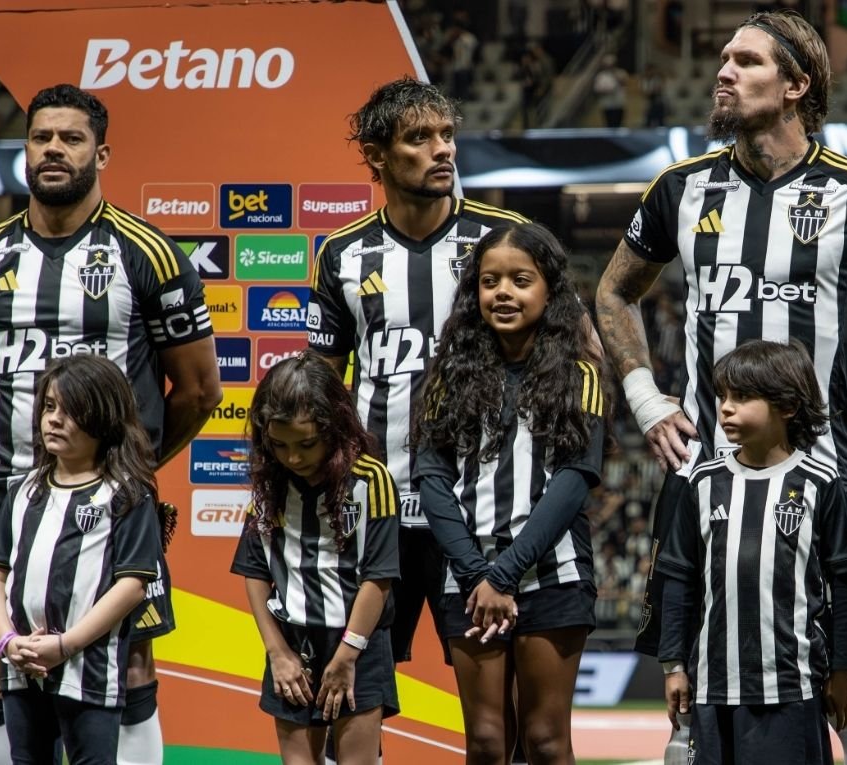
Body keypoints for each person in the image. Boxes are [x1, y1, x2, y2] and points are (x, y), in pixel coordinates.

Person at [595, 10, 847, 763]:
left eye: (746, 60)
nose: (724, 71)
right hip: (709, 484)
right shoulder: (681, 188)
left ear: (797, 84)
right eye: (723, 57)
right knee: (696, 713)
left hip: (828, 484)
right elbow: (613, 292)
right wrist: (647, 399)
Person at [0, 83, 221, 764]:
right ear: (25, 151)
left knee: (126, 662)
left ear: (103, 152)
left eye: (71, 138)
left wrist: (130, 469)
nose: (54, 150)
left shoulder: (149, 255)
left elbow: (202, 389)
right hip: (0, 492)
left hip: (111, 500)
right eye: (42, 138)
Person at [307, 77, 529, 673]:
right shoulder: (341, 252)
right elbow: (322, 384)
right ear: (377, 156)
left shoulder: (500, 239)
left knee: (494, 717)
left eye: (448, 135)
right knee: (356, 695)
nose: (443, 150)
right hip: (379, 506)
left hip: (481, 507)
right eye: (420, 137)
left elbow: (562, 355)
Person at [413, 222, 609, 764]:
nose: (503, 293)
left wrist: (504, 574)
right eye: (489, 281)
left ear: (550, 289)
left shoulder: (580, 374)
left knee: (546, 742)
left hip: (552, 576)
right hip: (469, 578)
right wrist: (479, 574)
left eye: (520, 280)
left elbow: (575, 481)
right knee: (486, 742)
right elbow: (431, 479)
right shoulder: (447, 377)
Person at [656, 340, 847, 764]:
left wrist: (843, 667)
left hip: (790, 685)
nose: (726, 408)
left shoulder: (819, 483)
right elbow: (678, 578)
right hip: (714, 686)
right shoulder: (701, 483)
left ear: (787, 406)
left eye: (743, 397)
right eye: (723, 397)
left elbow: (846, 581)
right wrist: (673, 664)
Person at [0, 355, 164, 764]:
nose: (54, 420)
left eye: (70, 410)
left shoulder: (127, 495)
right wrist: (7, 641)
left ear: (102, 417)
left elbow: (132, 586)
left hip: (91, 673)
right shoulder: (22, 491)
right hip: (22, 667)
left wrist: (65, 645)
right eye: (49, 407)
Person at [232, 353, 400, 765]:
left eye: (306, 444)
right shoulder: (268, 483)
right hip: (291, 645)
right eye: (280, 445)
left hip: (356, 643)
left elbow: (378, 578)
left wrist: (347, 656)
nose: (293, 458)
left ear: (334, 428)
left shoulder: (369, 480)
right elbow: (255, 571)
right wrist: (277, 654)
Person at [592, 54, 630, 128]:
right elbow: (597, 90)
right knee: (609, 125)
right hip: (607, 105)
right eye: (607, 64)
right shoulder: (601, 75)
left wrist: (614, 74)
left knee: (618, 125)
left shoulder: (621, 72)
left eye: (611, 64)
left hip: (619, 103)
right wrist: (607, 91)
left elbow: (624, 82)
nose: (609, 66)